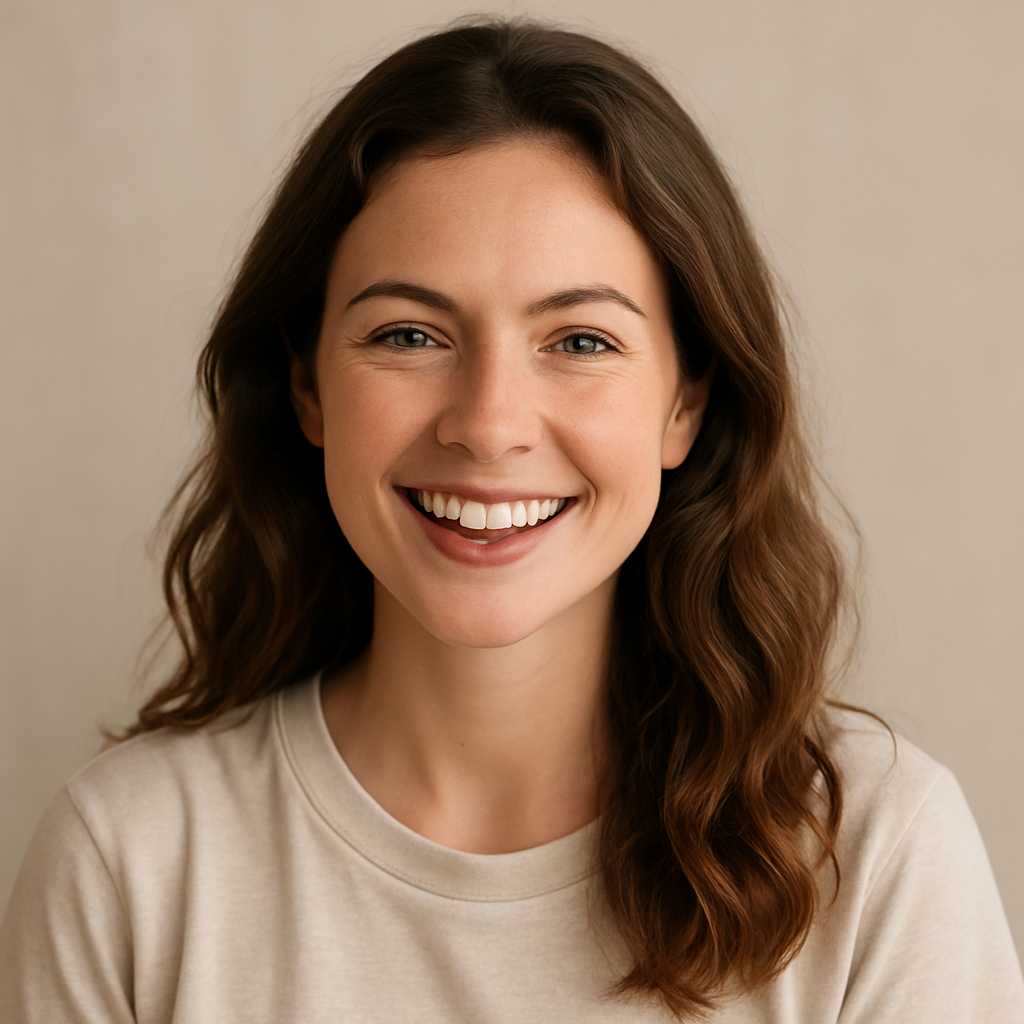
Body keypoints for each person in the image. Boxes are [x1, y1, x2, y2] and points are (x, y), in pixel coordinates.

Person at [1, 17, 1021, 1023]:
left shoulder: (873, 853)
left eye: (579, 340)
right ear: (307, 386)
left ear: (686, 403)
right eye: (408, 334)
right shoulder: (129, 863)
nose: (488, 425)